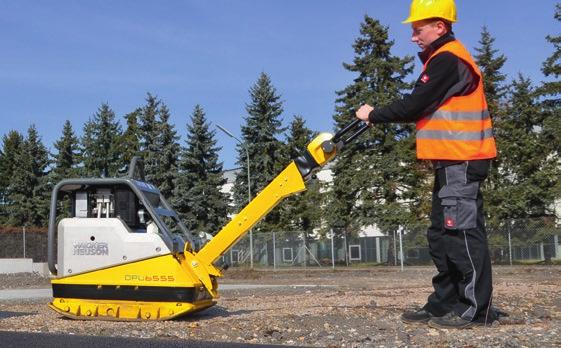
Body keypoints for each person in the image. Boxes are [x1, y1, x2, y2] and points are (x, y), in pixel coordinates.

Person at [355, 0, 497, 329]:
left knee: (461, 232)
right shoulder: (442, 59)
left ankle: (475, 309)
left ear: (440, 26)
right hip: (449, 160)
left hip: (462, 158)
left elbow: (416, 104)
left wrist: (373, 114)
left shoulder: (449, 59)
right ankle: (444, 302)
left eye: (418, 29)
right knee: (441, 233)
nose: (413, 36)